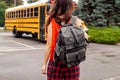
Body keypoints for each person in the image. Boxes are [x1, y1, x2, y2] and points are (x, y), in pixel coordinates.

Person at [41, 0, 88, 80]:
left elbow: (49, 45)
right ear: (69, 6)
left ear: (57, 6)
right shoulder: (76, 20)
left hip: (55, 62)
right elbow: (85, 38)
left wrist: (44, 64)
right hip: (72, 60)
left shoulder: (52, 21)